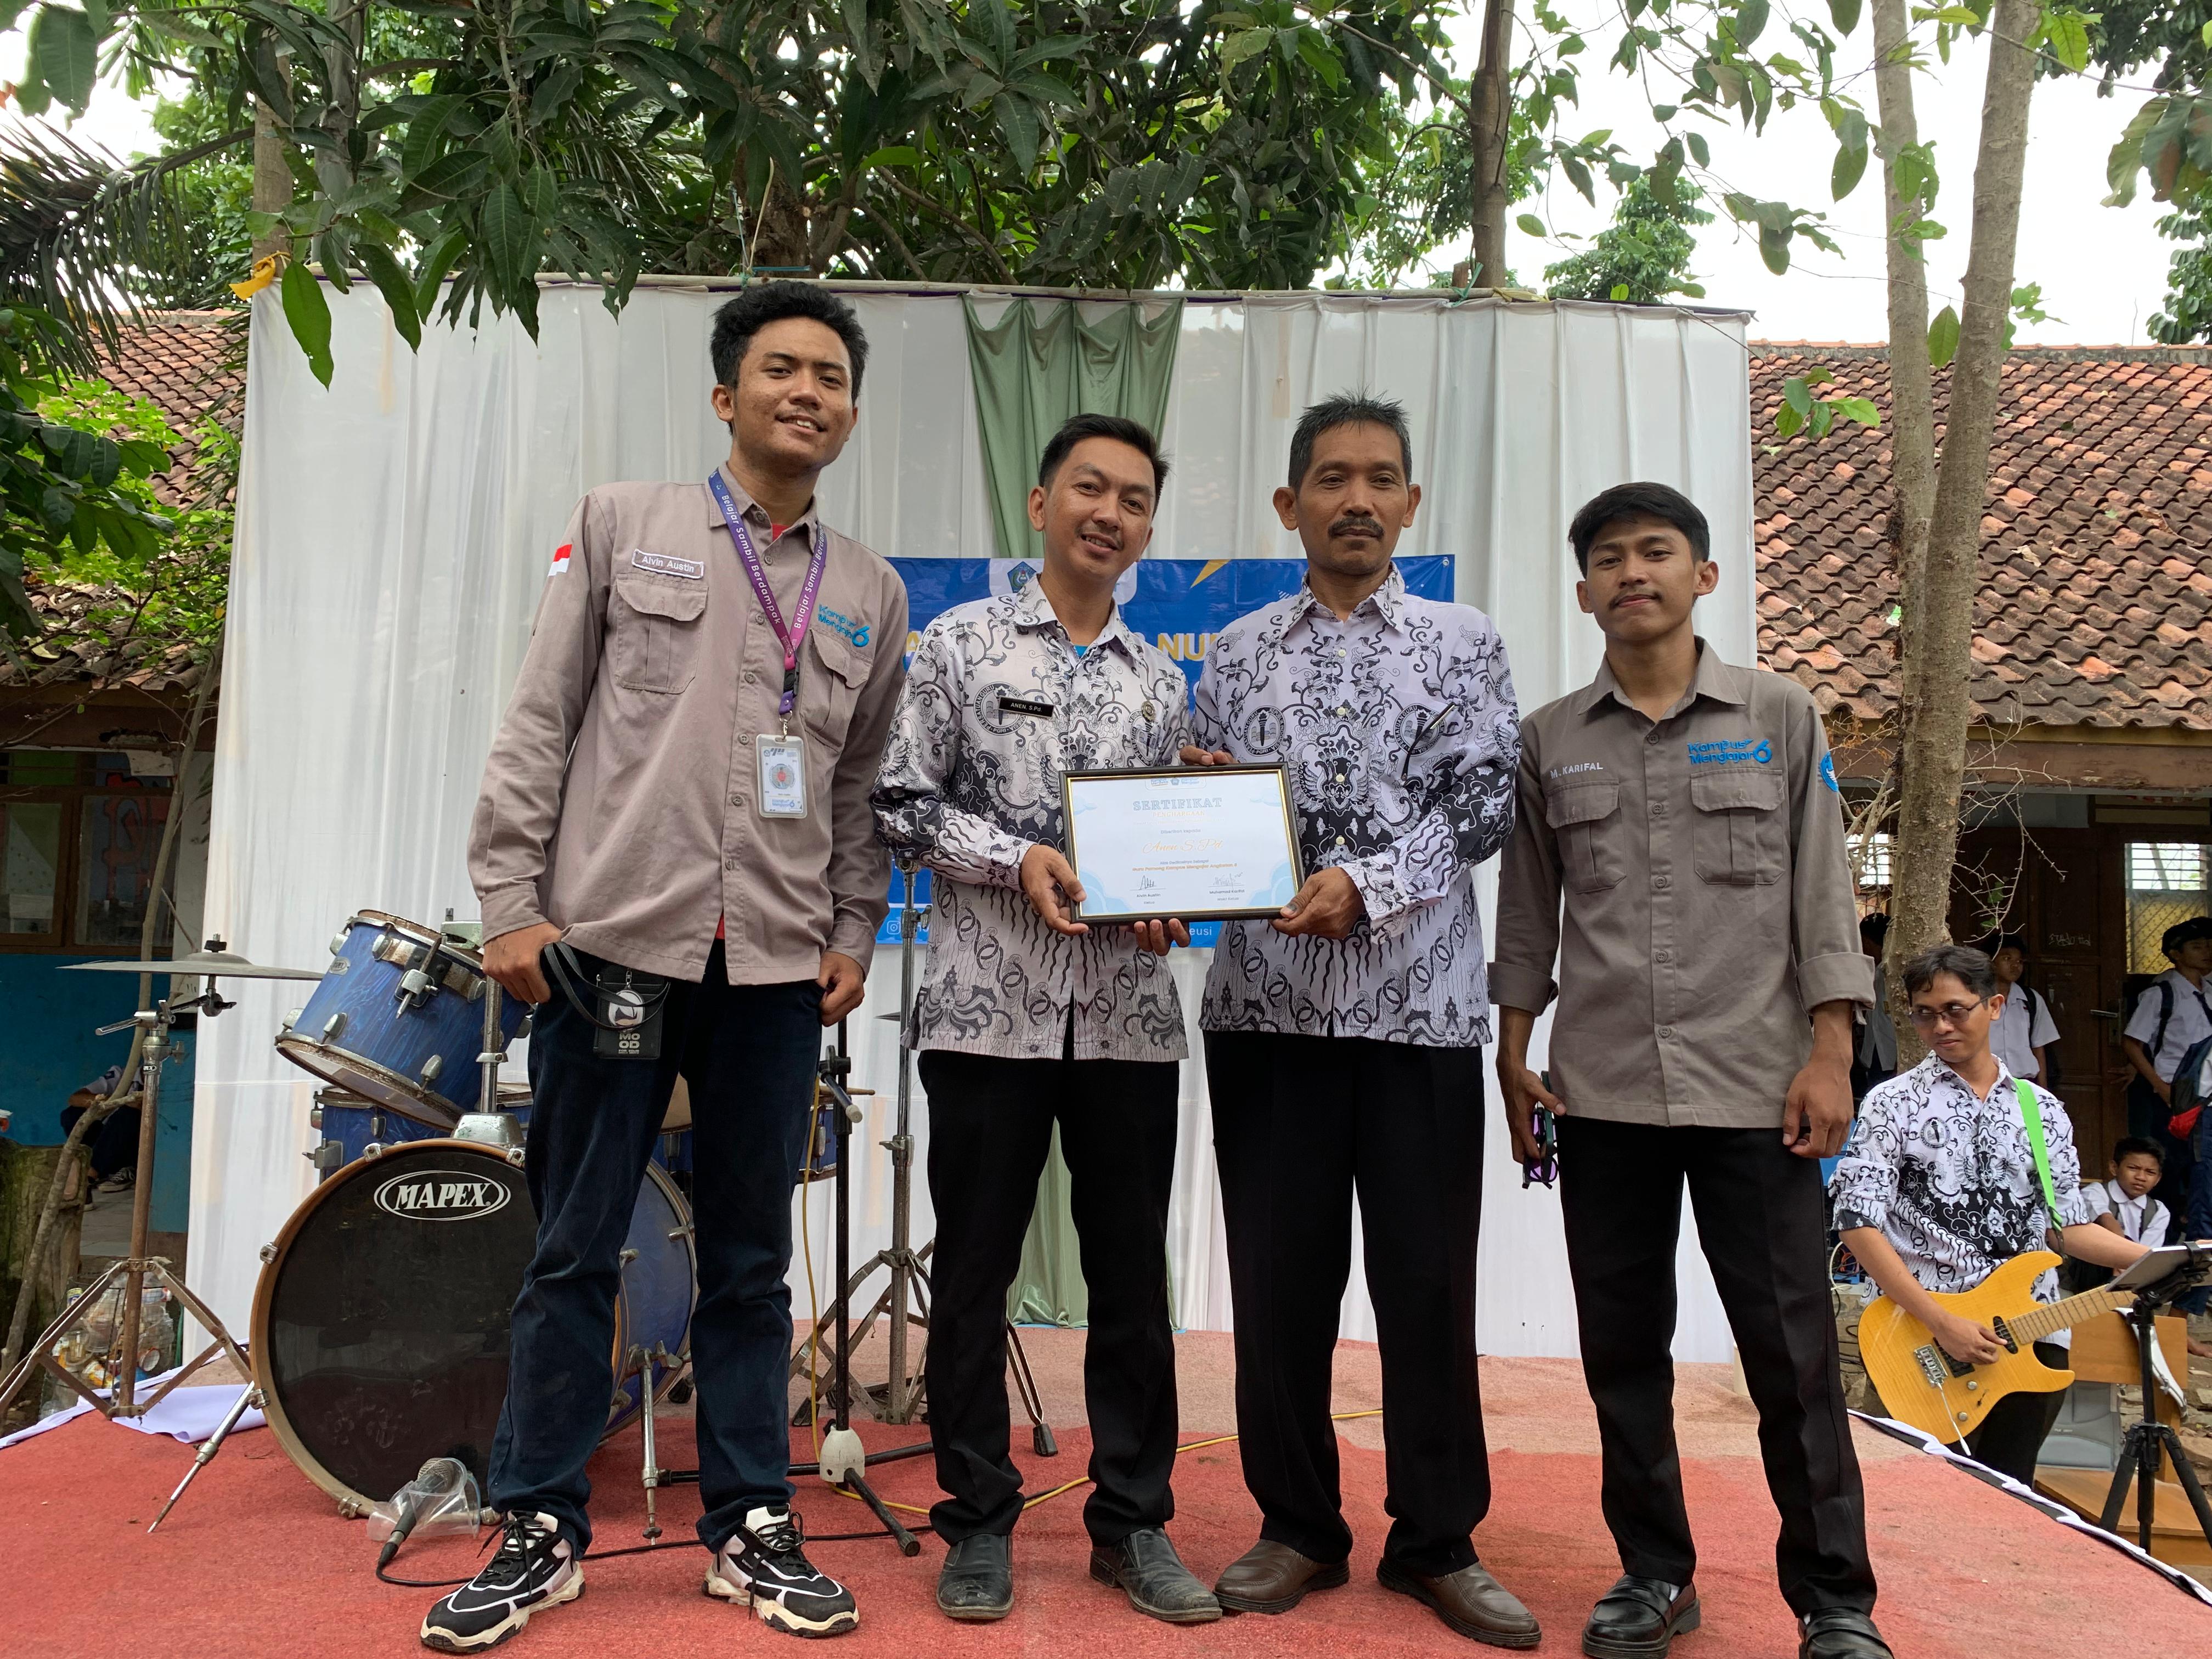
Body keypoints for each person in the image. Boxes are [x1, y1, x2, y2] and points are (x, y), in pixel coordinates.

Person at [431, 283, 909, 1651]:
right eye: (781, 369)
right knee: (576, 1247)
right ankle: (538, 1524)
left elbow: (860, 788)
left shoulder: (869, 592)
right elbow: (540, 719)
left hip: (773, 969)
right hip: (614, 951)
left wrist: (852, 929)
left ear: (849, 414)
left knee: (751, 1261)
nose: (806, 392)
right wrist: (508, 904)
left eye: (830, 376)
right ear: (726, 395)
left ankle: (751, 1525)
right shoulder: (621, 524)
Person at [1492, 481, 1889, 1659]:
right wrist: (1511, 1050)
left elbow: (1824, 892)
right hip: (1602, 1089)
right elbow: (1528, 909)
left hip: (1757, 1089)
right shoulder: (1550, 738)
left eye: (1656, 551)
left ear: (1703, 575)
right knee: (1623, 1354)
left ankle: (1835, 1601)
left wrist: (1831, 1050)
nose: (1633, 573)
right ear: (1583, 593)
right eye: (1609, 558)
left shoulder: (1779, 714)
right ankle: (1654, 1574)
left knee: (1793, 1358)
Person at [1183, 393, 1536, 1646]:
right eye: (1332, 478)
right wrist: (1194, 827)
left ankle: (1438, 1540)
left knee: (1427, 1286)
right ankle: (1297, 1528)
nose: (1358, 500)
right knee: (1281, 1286)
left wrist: (1369, 885)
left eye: (1382, 478)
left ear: (1411, 502)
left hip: (1421, 1016)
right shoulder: (1233, 655)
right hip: (1266, 1013)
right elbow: (1202, 817)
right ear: (1291, 504)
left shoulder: (1465, 643)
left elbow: (1485, 804)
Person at [870, 414, 1219, 1627]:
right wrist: (1012, 856)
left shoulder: (1160, 682)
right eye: (1088, 488)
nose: (1108, 513)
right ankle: (976, 1518)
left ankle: (1133, 1523)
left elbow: (1156, 852)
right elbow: (899, 803)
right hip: (986, 1015)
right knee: (972, 1275)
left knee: (1131, 1282)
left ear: (1148, 527)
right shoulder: (958, 644)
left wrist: (1169, 898)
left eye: (1133, 498)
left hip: (1126, 1022)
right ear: (1040, 503)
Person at [1829, 945, 2151, 1485]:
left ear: (1994, 1006)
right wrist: (1941, 1321)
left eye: (1956, 1010)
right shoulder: (1892, 1103)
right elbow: (1858, 1223)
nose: (1941, 1027)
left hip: (2031, 1338)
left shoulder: (2042, 1110)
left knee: (2011, 1500)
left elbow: (2066, 1227)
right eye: (1925, 1014)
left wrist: (2159, 1259)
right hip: (1921, 1341)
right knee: (1914, 1500)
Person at [2121, 916, 2212, 1222]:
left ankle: (2198, 1226)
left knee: (2203, 1164)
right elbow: (2132, 1043)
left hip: (2207, 1092)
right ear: (2176, 954)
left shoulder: (2209, 990)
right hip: (2174, 1090)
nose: (2207, 952)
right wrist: (2160, 1086)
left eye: (2209, 946)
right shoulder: (2161, 994)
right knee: (2171, 1163)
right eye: (2197, 947)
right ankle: (2167, 1231)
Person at [1978, 931, 2057, 1085]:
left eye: (2019, 961)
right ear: (1990, 962)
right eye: (2007, 959)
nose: (2015, 966)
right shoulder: (1976, 998)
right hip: (1987, 1081)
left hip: (2025, 1081)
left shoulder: (2031, 999)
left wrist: (2043, 1089)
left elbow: (2038, 1047)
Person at [57, 1063, 135, 1192]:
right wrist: (115, 1101)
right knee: (71, 1115)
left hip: (137, 1144)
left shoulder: (163, 1080)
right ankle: (92, 1166)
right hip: (109, 1141)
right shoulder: (125, 1075)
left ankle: (91, 1175)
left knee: (127, 1114)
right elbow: (75, 1098)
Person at [2086, 1136, 2171, 1247]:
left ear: (2158, 1179)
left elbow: (2147, 1253)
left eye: (2150, 1172)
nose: (2141, 1177)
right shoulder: (2095, 1192)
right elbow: (2104, 1217)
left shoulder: (2158, 1211)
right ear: (2114, 1168)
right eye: (2133, 1168)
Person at [1851, 915, 1896, 1103]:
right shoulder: (1872, 972)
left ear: (1868, 941)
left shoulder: (1893, 974)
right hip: (1874, 1051)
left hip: (1892, 1053)